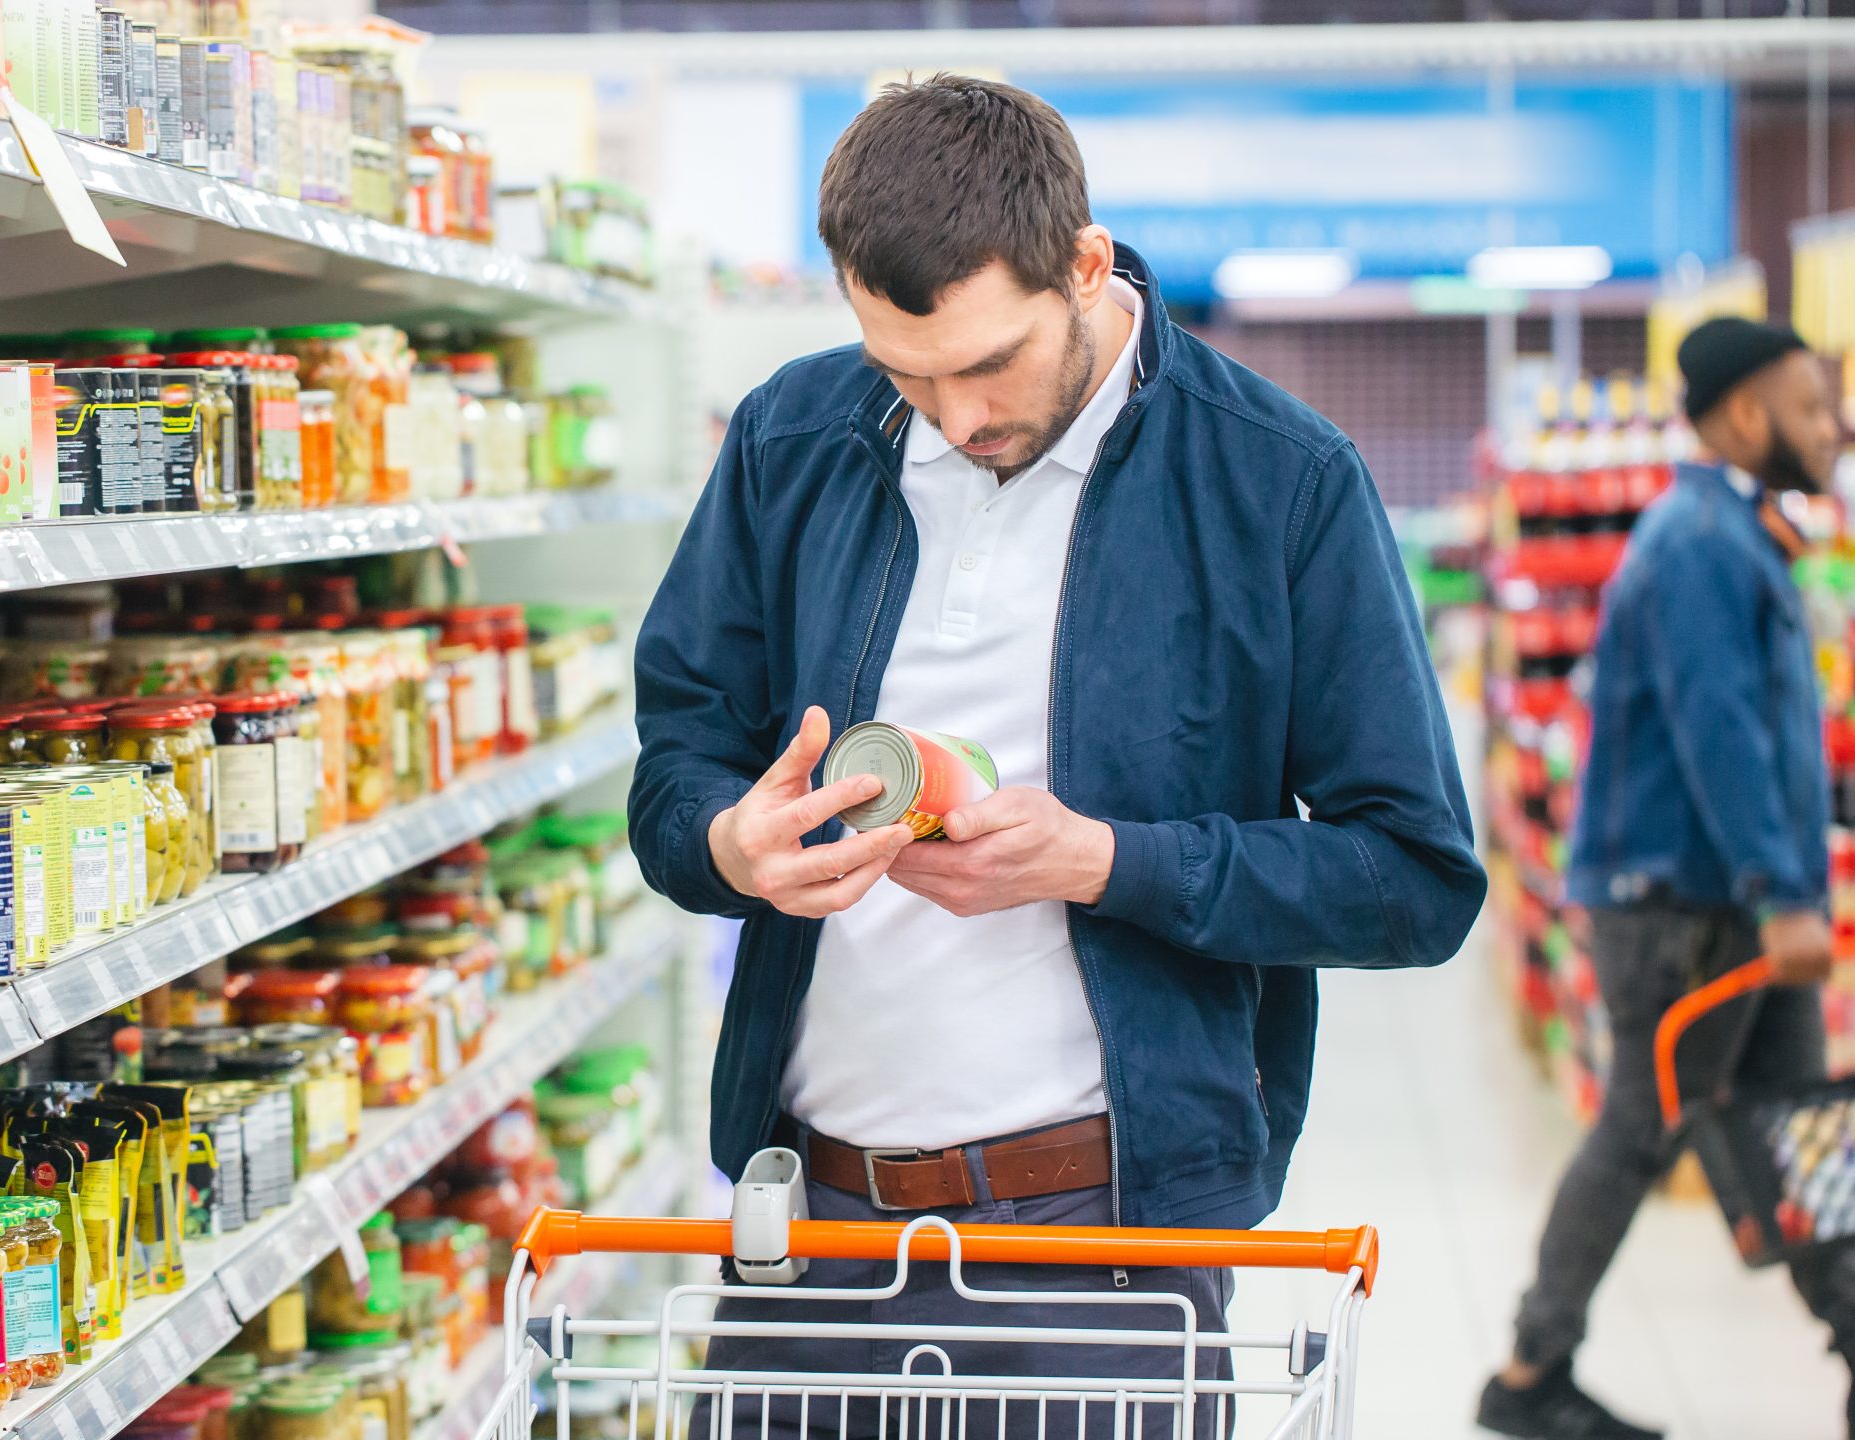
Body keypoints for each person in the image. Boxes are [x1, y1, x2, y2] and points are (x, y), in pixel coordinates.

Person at [628, 75, 1486, 1440]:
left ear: (1086, 265)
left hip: (1105, 1252)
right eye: (903, 373)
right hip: (810, 1235)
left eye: (985, 365)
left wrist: (1107, 862)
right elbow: (678, 754)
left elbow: (1414, 879)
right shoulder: (796, 437)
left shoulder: (1279, 482)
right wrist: (726, 845)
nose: (952, 416)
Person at [1477, 316, 1855, 1440]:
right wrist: (1781, 891)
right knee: (1641, 1131)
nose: (1832, 426)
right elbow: (1718, 730)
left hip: (1730, 902)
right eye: (1810, 404)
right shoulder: (1697, 542)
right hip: (1682, 906)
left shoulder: (1737, 533)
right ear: (1745, 414)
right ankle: (1530, 1374)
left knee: (1798, 1119)